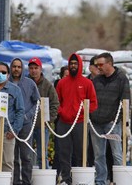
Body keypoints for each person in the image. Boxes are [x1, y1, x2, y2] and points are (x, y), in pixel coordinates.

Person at [56, 53, 98, 185]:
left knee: (81, 153)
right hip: (64, 122)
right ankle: (66, 179)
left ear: (80, 65)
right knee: (63, 153)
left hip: (80, 123)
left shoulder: (87, 83)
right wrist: (62, 112)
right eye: (71, 63)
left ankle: (80, 179)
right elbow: (56, 102)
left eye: (75, 63)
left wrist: (83, 112)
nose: (73, 66)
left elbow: (93, 103)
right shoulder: (62, 83)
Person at [90, 52, 130, 185]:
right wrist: (91, 115)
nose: (98, 67)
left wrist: (117, 120)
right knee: (98, 155)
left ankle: (120, 181)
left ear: (109, 64)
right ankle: (100, 181)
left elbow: (126, 102)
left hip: (113, 123)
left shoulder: (121, 78)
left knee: (117, 153)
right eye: (96, 65)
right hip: (96, 123)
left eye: (100, 64)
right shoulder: (96, 80)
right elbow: (89, 99)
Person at [9, 58, 40, 185]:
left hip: (26, 125)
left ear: (22, 68)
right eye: (14, 66)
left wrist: (28, 115)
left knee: (26, 156)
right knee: (13, 156)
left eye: (19, 67)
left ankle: (27, 181)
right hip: (10, 125)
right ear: (11, 68)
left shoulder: (30, 83)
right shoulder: (6, 83)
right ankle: (16, 181)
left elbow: (36, 102)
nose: (16, 69)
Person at [28, 57, 59, 169]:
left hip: (43, 125)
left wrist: (49, 120)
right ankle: (28, 177)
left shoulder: (48, 85)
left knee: (43, 154)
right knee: (27, 155)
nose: (33, 70)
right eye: (31, 68)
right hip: (28, 125)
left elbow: (55, 103)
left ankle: (43, 177)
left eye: (36, 68)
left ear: (40, 69)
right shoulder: (25, 82)